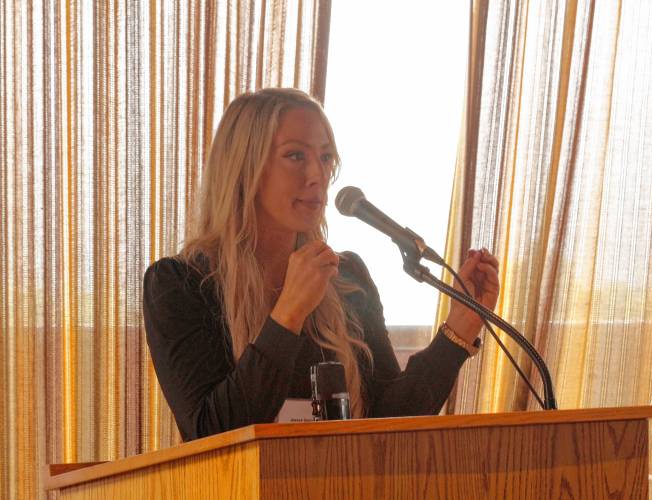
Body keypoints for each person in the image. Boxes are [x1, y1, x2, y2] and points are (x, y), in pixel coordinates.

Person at [142, 88, 500, 441]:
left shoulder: (346, 278)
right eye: (296, 155)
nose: (317, 174)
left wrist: (461, 328)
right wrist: (288, 315)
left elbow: (388, 424)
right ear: (244, 167)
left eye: (326, 158)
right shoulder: (180, 284)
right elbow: (211, 435)